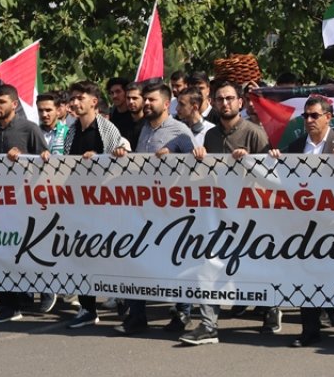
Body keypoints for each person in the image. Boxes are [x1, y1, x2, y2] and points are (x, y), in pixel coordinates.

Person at [265, 96, 334, 348]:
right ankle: (310, 329)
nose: (309, 120)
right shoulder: (296, 145)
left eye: (314, 115)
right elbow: (283, 179)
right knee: (306, 273)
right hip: (307, 224)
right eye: (305, 116)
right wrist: (276, 158)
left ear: (328, 117)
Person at [192, 81, 280, 336]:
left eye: (230, 98)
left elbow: (271, 176)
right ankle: (208, 325)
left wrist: (250, 163)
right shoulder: (210, 135)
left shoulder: (254, 132)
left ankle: (271, 311)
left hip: (252, 215)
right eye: (220, 99)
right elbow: (207, 173)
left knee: (258, 266)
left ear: (240, 102)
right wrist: (199, 157)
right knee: (209, 265)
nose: (225, 103)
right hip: (218, 214)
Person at [115, 82, 196, 337]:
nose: (146, 104)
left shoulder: (180, 132)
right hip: (144, 209)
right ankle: (137, 316)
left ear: (166, 102)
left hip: (173, 212)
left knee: (177, 262)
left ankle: (183, 313)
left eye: (152, 100)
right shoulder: (144, 130)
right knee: (137, 261)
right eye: (145, 100)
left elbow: (196, 169)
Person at [50, 80, 129, 327]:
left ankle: (124, 303)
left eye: (80, 97)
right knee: (81, 256)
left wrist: (101, 159)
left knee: (112, 256)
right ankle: (87, 308)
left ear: (93, 102)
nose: (74, 102)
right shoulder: (70, 131)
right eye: (72, 98)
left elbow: (121, 161)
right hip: (78, 205)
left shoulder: (108, 129)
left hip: (105, 205)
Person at [0, 84, 49, 323]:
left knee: (30, 253)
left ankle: (41, 292)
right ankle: (8, 305)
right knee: (2, 254)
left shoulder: (29, 129)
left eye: (1, 102)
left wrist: (24, 162)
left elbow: (47, 164)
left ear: (15, 104)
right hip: (0, 206)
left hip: (27, 205)